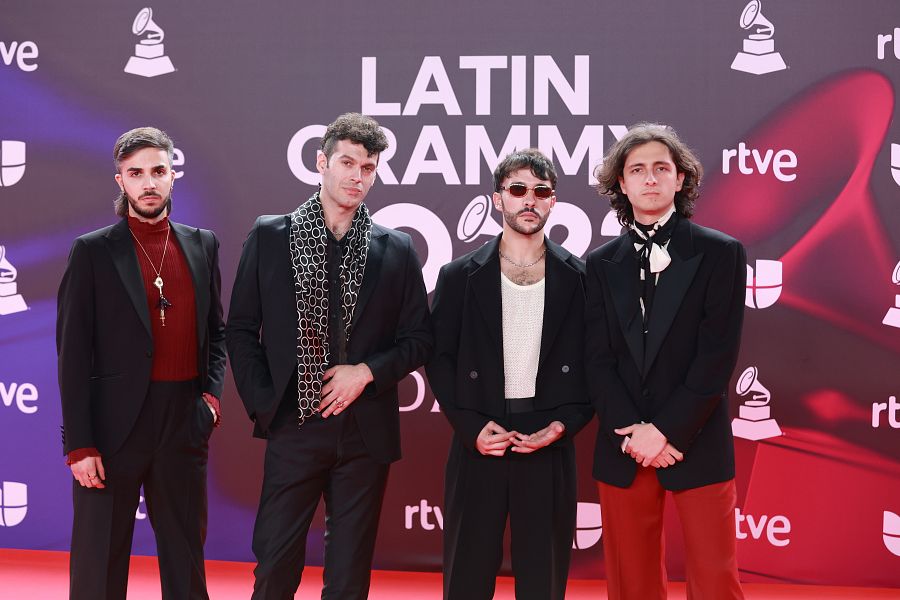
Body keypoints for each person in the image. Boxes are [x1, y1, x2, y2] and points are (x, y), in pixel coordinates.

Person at [226, 112, 432, 600]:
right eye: (347, 162)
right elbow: (238, 329)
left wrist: (365, 373)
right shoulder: (272, 236)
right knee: (274, 566)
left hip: (364, 433)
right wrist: (267, 404)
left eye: (368, 166)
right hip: (294, 424)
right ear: (321, 163)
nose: (357, 175)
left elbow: (420, 338)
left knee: (348, 577)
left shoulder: (396, 248)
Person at [57, 126, 226, 600]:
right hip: (112, 430)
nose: (148, 182)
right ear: (120, 181)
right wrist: (80, 443)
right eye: (137, 174)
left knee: (185, 557)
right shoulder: (92, 251)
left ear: (173, 175)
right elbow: (72, 354)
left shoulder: (203, 243)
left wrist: (209, 399)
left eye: (158, 171)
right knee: (99, 563)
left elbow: (217, 333)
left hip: (183, 420)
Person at [586, 123, 746, 599]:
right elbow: (596, 359)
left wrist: (667, 432)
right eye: (637, 169)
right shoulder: (599, 263)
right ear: (621, 184)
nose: (650, 178)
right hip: (624, 443)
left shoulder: (720, 252)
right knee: (630, 583)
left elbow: (716, 357)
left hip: (694, 436)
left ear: (681, 180)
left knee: (715, 580)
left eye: (661, 168)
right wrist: (634, 431)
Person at [427, 149, 593, 600]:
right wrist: (469, 427)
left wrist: (562, 426)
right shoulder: (459, 275)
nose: (529, 200)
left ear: (553, 202)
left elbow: (595, 364)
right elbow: (438, 358)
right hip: (481, 435)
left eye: (541, 192)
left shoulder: (579, 277)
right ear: (497, 199)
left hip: (547, 440)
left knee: (544, 577)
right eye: (517, 189)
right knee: (466, 574)